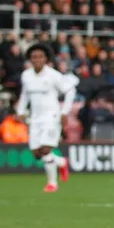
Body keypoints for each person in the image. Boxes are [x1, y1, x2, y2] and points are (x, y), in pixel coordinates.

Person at [16, 43, 76, 193]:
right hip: (35, 118)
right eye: (34, 57)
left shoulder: (53, 75)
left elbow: (70, 90)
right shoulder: (26, 75)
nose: (37, 60)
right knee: (37, 154)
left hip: (52, 116)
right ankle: (61, 162)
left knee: (45, 149)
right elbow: (25, 95)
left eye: (40, 57)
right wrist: (21, 110)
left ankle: (52, 184)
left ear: (46, 59)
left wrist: (64, 112)